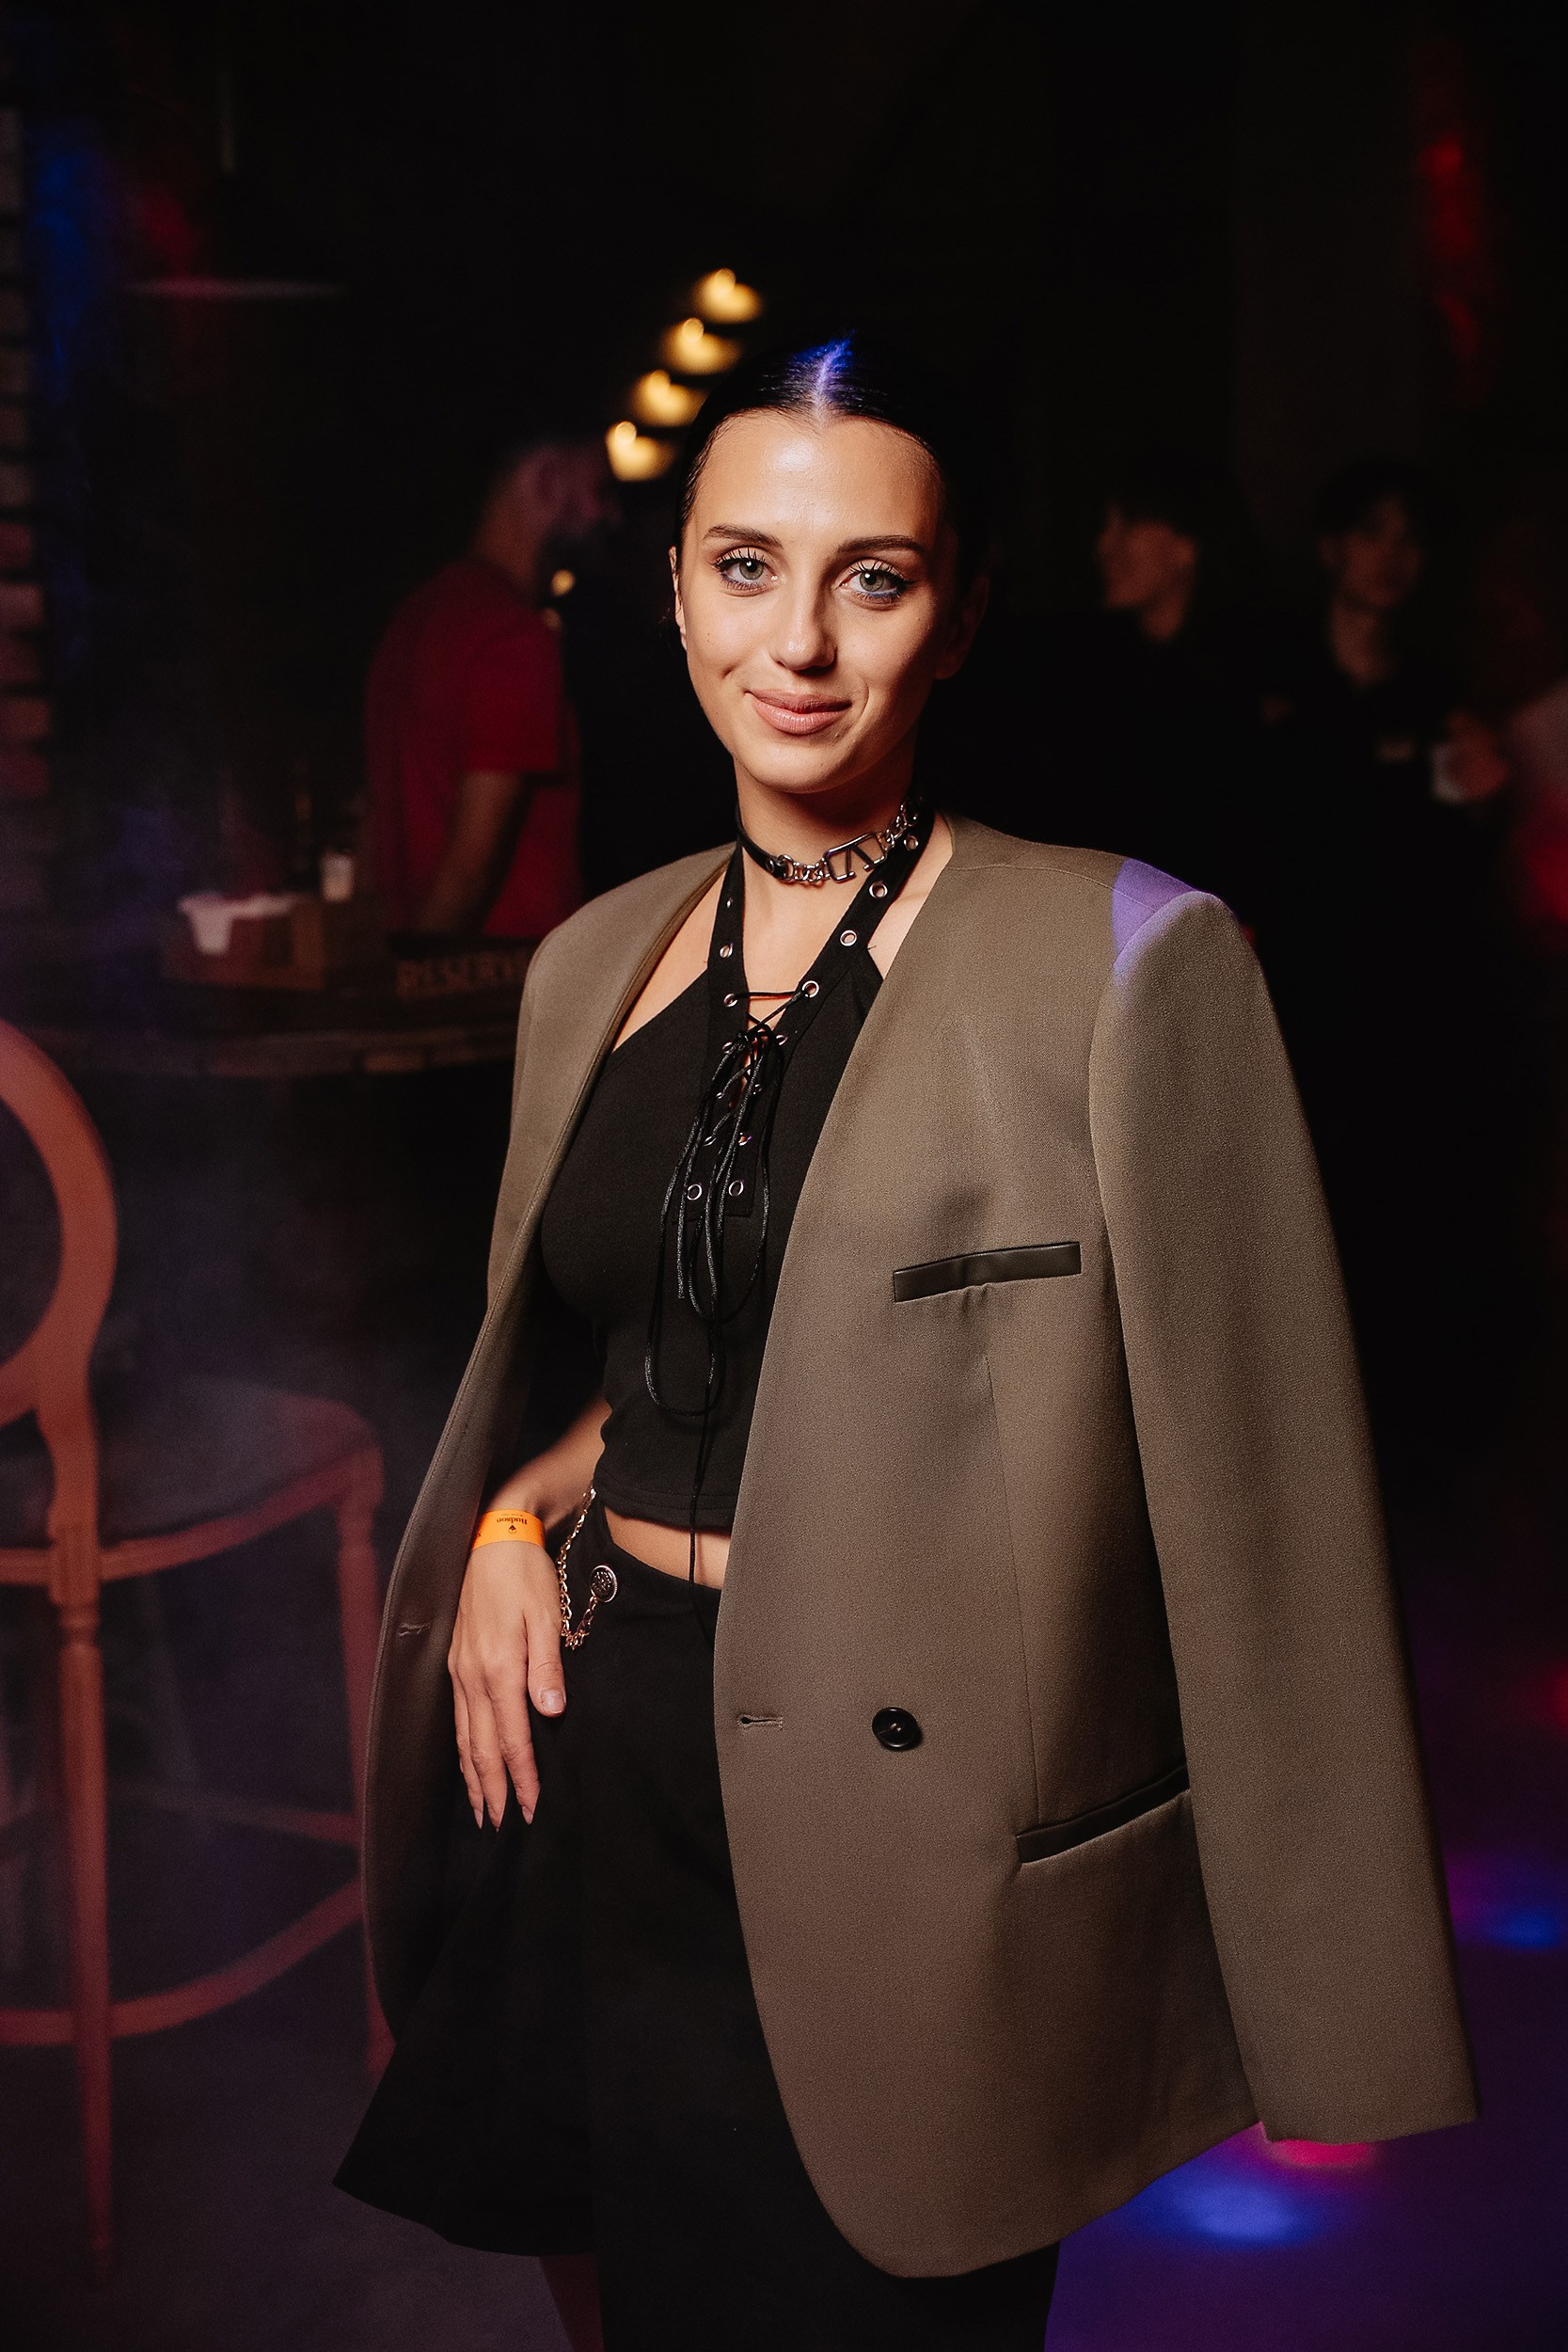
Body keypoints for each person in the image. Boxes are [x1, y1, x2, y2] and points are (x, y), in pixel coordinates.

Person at [338, 339, 1476, 2351]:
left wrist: (1339, 2004)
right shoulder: (588, 962)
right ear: (674, 589)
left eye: (869, 577)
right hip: (601, 1771)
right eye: (746, 567)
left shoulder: (1121, 960)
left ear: (951, 616)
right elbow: (661, 1357)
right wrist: (518, 1514)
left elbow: (1265, 1514)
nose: (797, 641)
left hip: (900, 1835)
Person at [364, 425, 617, 937]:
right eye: (599, 490)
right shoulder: (513, 636)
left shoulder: (413, 619)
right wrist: (423, 972)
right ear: (546, 480)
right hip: (505, 975)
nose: (607, 515)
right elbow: (469, 871)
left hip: (417, 964)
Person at [1043, 452, 1265, 918]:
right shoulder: (1090, 673)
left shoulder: (1246, 682)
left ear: (1186, 544)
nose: (1105, 544)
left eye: (1128, 523)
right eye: (1106, 525)